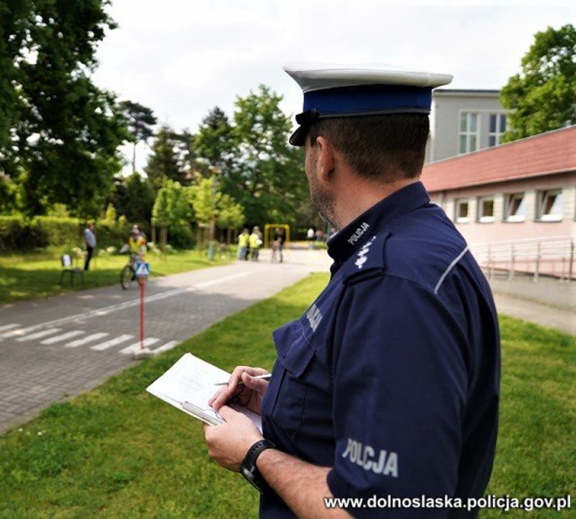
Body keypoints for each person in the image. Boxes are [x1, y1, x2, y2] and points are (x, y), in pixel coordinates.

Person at [203, 64, 500, 518]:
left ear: (323, 155)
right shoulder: (412, 243)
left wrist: (253, 454)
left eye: (305, 151)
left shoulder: (391, 280)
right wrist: (282, 396)